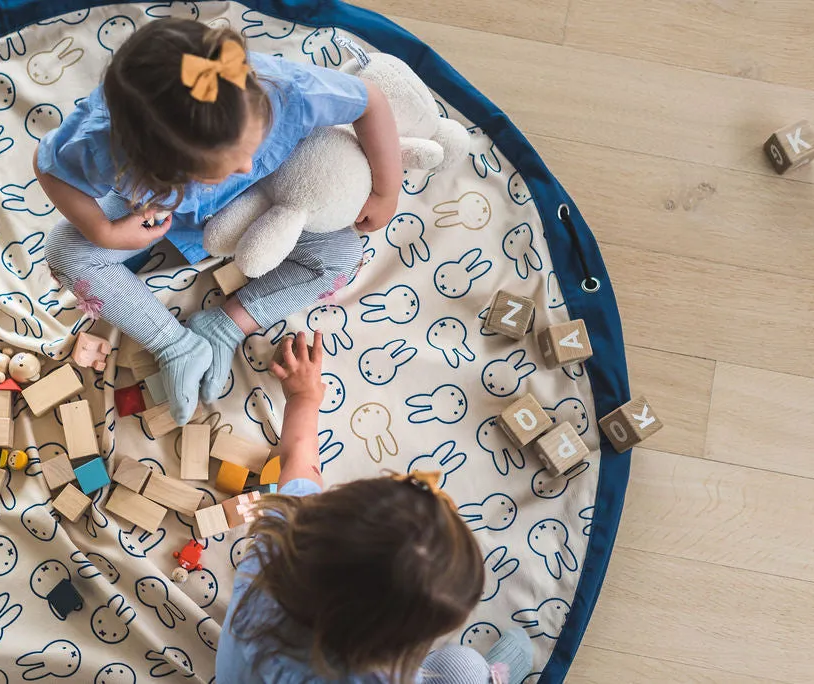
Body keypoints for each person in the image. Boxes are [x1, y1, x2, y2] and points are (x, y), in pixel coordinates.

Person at [36, 19, 401, 424]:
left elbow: (372, 100)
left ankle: (226, 324)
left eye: (252, 145)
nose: (246, 163)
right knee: (65, 250)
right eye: (224, 167)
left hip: (268, 203)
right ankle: (175, 345)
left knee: (344, 255)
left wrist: (387, 189)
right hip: (165, 219)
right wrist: (102, 230)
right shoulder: (105, 142)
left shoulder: (290, 90)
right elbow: (48, 167)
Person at [217, 331, 534, 683]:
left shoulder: (274, 549)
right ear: (399, 646)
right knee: (466, 669)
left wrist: (304, 397)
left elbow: (298, 459)